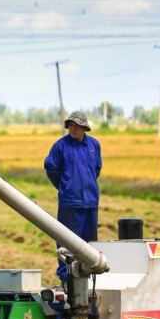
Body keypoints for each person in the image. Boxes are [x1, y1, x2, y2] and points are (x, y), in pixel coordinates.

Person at [44, 110, 102, 283]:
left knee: (89, 244)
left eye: (77, 126)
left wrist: (87, 185)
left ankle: (89, 279)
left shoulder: (94, 145)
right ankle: (66, 280)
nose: (73, 129)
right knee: (67, 244)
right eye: (71, 125)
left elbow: (97, 168)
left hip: (91, 202)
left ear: (84, 127)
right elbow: (51, 168)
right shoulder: (60, 146)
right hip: (70, 203)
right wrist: (65, 186)